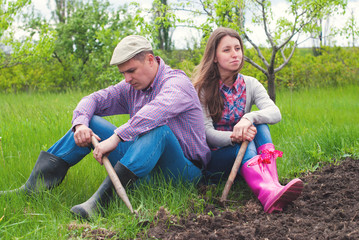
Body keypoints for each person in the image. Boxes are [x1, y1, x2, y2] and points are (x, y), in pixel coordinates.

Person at [0, 35, 210, 218]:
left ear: (149, 59)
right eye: (123, 74)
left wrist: (117, 137)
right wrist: (80, 124)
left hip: (182, 173)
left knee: (158, 130)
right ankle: (32, 189)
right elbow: (94, 99)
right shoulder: (132, 87)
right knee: (90, 122)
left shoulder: (176, 83)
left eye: (131, 71)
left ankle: (101, 202)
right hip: (142, 167)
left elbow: (156, 111)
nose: (127, 79)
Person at [192, 27, 303, 213]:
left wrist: (248, 117)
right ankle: (266, 193)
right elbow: (208, 135)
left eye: (238, 48)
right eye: (227, 50)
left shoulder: (250, 84)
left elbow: (275, 113)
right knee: (246, 139)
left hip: (243, 158)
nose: (235, 54)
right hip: (216, 160)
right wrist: (235, 135)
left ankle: (273, 185)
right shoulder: (202, 89)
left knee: (260, 124)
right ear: (215, 57)